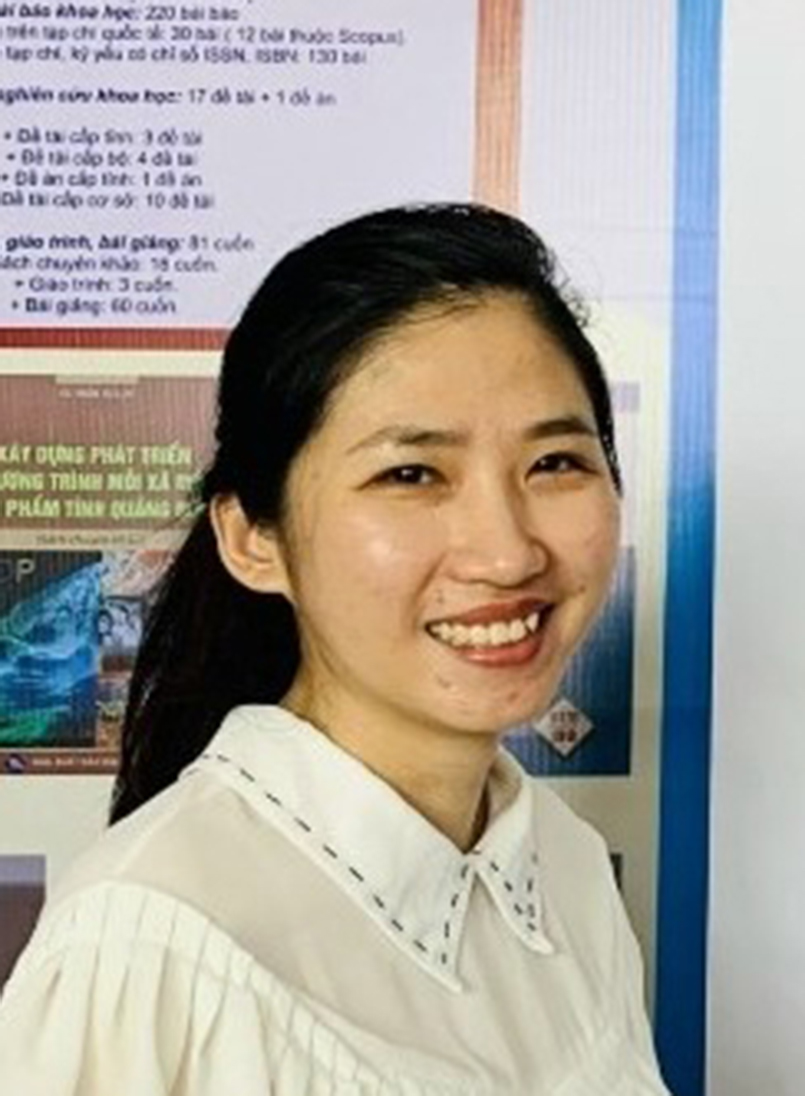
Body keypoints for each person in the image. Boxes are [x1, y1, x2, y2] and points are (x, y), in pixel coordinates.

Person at [0, 204, 671, 1094]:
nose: (507, 553)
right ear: (254, 540)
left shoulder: (567, 868)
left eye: (554, 463)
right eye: (410, 474)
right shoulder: (149, 944)